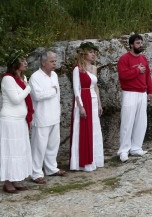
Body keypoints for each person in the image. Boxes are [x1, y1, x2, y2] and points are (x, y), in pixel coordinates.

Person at [29, 51, 65, 183]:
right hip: (42, 116)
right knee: (39, 146)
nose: (54, 63)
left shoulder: (54, 75)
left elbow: (58, 96)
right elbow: (37, 96)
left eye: (55, 61)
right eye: (52, 61)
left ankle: (51, 168)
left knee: (53, 144)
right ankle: (36, 172)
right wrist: (52, 91)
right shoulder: (35, 77)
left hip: (54, 115)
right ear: (43, 63)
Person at [117, 33, 152, 163]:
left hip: (142, 93)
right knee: (127, 122)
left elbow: (148, 75)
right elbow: (123, 76)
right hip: (129, 93)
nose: (140, 45)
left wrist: (150, 91)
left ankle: (136, 147)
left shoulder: (143, 58)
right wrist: (137, 70)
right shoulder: (124, 59)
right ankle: (123, 150)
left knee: (141, 121)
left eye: (141, 43)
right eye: (138, 43)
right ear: (131, 45)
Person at [1, 51, 33, 193]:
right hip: (10, 120)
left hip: (20, 120)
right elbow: (15, 99)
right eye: (23, 61)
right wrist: (28, 87)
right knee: (10, 150)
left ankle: (16, 178)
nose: (26, 63)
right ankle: (7, 182)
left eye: (26, 60)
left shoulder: (22, 78)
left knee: (19, 150)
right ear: (15, 63)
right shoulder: (7, 79)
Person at [69, 42, 104, 172]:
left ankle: (95, 158)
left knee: (94, 129)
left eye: (94, 52)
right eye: (90, 52)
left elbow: (95, 87)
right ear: (83, 54)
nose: (93, 54)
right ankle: (82, 161)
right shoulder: (77, 69)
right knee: (84, 129)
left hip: (93, 101)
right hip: (83, 101)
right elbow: (76, 89)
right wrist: (80, 106)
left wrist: (99, 103)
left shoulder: (94, 68)